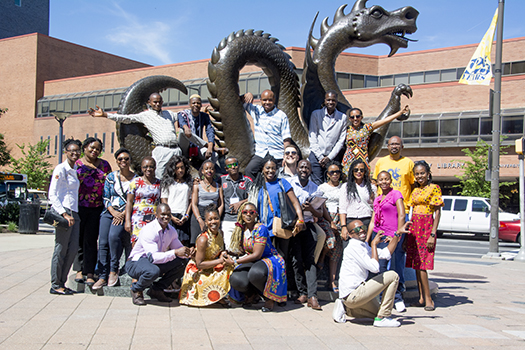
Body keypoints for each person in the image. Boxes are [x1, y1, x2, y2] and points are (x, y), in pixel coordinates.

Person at [333, 220, 407, 327]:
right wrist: (374, 244)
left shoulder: (362, 245)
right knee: (393, 276)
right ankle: (383, 318)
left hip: (354, 296)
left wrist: (397, 235)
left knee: (377, 311)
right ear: (350, 234)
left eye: (363, 227)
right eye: (357, 229)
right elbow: (375, 268)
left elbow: (386, 254)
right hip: (354, 294)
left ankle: (346, 308)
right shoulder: (354, 247)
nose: (362, 230)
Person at [89, 92, 180, 178]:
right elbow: (126, 118)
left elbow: (184, 116)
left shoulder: (169, 114)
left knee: (177, 176)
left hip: (176, 149)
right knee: (158, 176)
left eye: (159, 102)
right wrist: (105, 114)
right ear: (149, 102)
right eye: (155, 102)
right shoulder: (145, 115)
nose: (157, 104)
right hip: (162, 150)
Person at [373, 135, 415, 312]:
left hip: (398, 223)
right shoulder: (381, 162)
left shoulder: (408, 164)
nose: (394, 146)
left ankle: (397, 296)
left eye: (397, 144)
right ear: (387, 146)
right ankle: (381, 297)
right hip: (381, 226)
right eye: (391, 144)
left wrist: (400, 230)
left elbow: (413, 186)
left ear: (402, 146)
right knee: (381, 264)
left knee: (397, 260)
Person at [126, 203, 192, 306]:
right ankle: (136, 289)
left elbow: (179, 250)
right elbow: (154, 257)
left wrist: (189, 252)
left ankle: (156, 290)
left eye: (168, 214)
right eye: (163, 214)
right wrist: (175, 252)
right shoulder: (149, 230)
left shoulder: (171, 230)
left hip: (154, 261)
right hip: (136, 262)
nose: (166, 217)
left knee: (183, 263)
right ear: (156, 215)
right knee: (153, 271)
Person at [288, 159, 331, 310]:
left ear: (311, 170)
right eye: (301, 167)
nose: (304, 169)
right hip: (293, 226)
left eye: (307, 167)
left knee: (310, 260)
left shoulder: (316, 188)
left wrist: (311, 209)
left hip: (308, 224)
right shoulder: (290, 184)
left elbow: (320, 212)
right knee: (296, 260)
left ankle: (313, 296)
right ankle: (302, 293)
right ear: (297, 169)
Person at [228, 202, 287, 311]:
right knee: (236, 278)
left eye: (252, 212)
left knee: (255, 273)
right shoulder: (241, 229)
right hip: (254, 260)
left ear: (256, 215)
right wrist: (228, 254)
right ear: (241, 214)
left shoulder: (261, 229)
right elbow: (243, 251)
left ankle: (269, 298)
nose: (248, 214)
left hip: (268, 258)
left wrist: (235, 261)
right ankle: (251, 294)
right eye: (245, 212)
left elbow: (257, 254)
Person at [93, 148, 136, 290]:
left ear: (130, 160)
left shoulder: (136, 179)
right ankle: (102, 275)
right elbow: (105, 197)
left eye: (126, 159)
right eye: (120, 159)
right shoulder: (111, 177)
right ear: (116, 161)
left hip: (125, 213)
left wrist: (123, 213)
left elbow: (135, 199)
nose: (123, 161)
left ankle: (113, 270)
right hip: (109, 212)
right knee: (103, 241)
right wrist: (112, 211)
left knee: (113, 237)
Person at [405, 160, 443, 311]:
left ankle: (429, 299)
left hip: (426, 226)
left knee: (422, 265)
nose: (420, 176)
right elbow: (412, 210)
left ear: (428, 174)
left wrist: (433, 234)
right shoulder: (415, 191)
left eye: (422, 173)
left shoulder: (434, 188)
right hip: (414, 227)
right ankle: (421, 298)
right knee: (416, 264)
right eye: (417, 174)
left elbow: (438, 212)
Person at [73, 137, 112, 287]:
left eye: (97, 149)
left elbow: (109, 184)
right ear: (84, 148)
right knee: (79, 238)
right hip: (79, 207)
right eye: (91, 148)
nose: (94, 151)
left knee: (91, 240)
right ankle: (79, 270)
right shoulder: (77, 165)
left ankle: (89, 272)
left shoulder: (104, 165)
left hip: (97, 207)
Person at [179, 204, 235, 307]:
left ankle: (221, 296)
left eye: (216, 219)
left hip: (211, 265)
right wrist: (220, 261)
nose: (213, 222)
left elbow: (221, 250)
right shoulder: (203, 239)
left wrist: (224, 255)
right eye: (210, 220)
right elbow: (199, 264)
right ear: (205, 222)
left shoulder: (220, 233)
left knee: (231, 267)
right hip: (199, 270)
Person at [366, 170, 406, 310]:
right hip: (379, 236)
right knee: (380, 269)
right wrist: (367, 239)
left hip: (393, 236)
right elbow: (373, 221)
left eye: (386, 179)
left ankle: (397, 298)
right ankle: (380, 299)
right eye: (381, 179)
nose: (384, 182)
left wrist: (398, 234)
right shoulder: (377, 199)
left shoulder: (396, 195)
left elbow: (402, 215)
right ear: (377, 182)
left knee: (395, 268)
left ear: (390, 180)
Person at [49, 138, 82, 295]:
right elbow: (52, 195)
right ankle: (56, 284)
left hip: (74, 212)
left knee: (73, 248)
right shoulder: (60, 169)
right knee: (61, 248)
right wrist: (64, 213)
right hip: (64, 213)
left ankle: (62, 281)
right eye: (72, 150)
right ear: (66, 152)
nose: (75, 153)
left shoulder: (74, 170)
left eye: (77, 150)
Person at [256, 158, 304, 262]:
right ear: (262, 170)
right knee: (266, 259)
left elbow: (295, 202)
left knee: (282, 258)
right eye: (267, 168)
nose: (270, 171)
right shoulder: (258, 186)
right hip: (264, 228)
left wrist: (300, 219)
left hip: (282, 225)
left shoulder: (282, 183)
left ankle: (281, 278)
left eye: (273, 168)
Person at [342, 105, 410, 175]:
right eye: (352, 117)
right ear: (349, 119)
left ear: (361, 117)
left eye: (357, 116)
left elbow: (385, 120)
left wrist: (400, 112)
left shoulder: (366, 128)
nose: (355, 119)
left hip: (362, 159)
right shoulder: (346, 129)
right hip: (348, 160)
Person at [241, 89, 292, 180]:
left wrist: (286, 156)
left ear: (274, 100)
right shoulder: (256, 110)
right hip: (261, 153)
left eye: (270, 100)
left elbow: (286, 139)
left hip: (277, 154)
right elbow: (237, 100)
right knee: (249, 170)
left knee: (279, 177)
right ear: (260, 100)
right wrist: (247, 95)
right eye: (264, 100)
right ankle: (255, 193)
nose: (267, 102)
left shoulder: (281, 116)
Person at [308, 90, 347, 185]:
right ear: (324, 101)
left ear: (336, 101)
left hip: (332, 156)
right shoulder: (316, 114)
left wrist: (329, 158)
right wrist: (320, 157)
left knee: (332, 184)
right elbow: (312, 136)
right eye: (328, 100)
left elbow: (340, 141)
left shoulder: (342, 117)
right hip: (317, 156)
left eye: (333, 100)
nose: (331, 102)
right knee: (317, 184)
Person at [317, 161, 344, 293]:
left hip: (340, 218)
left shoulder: (344, 187)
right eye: (332, 172)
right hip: (326, 218)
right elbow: (321, 206)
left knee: (336, 253)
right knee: (330, 242)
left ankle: (332, 282)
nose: (335, 174)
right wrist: (331, 222)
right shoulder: (322, 188)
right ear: (327, 174)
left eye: (337, 172)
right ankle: (321, 258)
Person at [125, 156, 161, 245]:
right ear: (141, 168)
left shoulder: (160, 183)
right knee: (137, 245)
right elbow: (129, 202)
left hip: (153, 218)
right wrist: (127, 221)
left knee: (152, 244)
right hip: (138, 217)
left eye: (151, 167)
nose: (148, 169)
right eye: (145, 167)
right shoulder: (135, 182)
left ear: (155, 168)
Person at [220, 156, 253, 250]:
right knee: (229, 247)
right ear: (226, 168)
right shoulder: (221, 180)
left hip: (243, 219)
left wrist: (240, 203)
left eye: (235, 164)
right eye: (230, 166)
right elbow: (207, 179)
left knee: (244, 246)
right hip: (227, 219)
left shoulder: (247, 180)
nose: (233, 167)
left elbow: (253, 197)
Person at [160, 155, 193, 246]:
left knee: (182, 242)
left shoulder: (189, 182)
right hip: (170, 216)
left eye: (182, 167)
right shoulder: (167, 182)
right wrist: (170, 216)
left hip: (183, 216)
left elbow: (190, 201)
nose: (180, 170)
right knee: (169, 243)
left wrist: (186, 215)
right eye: (177, 168)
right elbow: (164, 200)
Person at [340, 159, 376, 239]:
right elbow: (342, 209)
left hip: (366, 221)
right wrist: (343, 226)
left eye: (361, 170)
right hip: (350, 221)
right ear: (352, 171)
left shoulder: (372, 187)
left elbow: (375, 207)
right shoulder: (345, 187)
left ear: (365, 172)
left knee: (365, 249)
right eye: (356, 170)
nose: (358, 172)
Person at [190, 159, 224, 245]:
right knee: (197, 241)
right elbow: (194, 204)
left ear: (215, 171)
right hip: (199, 214)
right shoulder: (197, 185)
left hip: (213, 214)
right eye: (207, 169)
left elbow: (221, 204)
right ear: (202, 171)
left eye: (212, 169)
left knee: (212, 242)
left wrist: (217, 218)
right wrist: (200, 220)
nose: (209, 171)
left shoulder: (218, 186)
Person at [177, 94, 219, 162]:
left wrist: (210, 147)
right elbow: (181, 122)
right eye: (193, 103)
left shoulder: (204, 116)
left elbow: (210, 130)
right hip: (184, 148)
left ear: (201, 105)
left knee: (214, 155)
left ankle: (207, 171)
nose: (196, 105)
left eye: (198, 103)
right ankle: (207, 145)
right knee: (182, 131)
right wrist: (185, 127)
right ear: (190, 104)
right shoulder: (183, 114)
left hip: (198, 147)